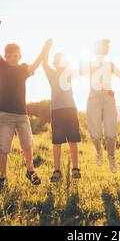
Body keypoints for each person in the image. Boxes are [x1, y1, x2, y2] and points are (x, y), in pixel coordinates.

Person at [0, 16, 44, 190]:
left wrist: (45, 49)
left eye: (15, 55)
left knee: (27, 145)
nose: (13, 57)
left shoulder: (23, 69)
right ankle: (3, 177)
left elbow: (36, 64)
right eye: (9, 55)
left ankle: (30, 170)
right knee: (4, 147)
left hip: (21, 115)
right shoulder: (2, 66)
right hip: (4, 114)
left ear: (20, 56)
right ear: (6, 57)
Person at [82, 39, 120, 173]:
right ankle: (99, 151)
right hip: (93, 98)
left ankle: (112, 158)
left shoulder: (110, 65)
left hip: (108, 98)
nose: (105, 49)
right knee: (95, 135)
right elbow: (76, 72)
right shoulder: (89, 65)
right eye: (103, 46)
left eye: (106, 47)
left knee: (111, 134)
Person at [41, 39, 82, 183]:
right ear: (55, 63)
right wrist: (46, 47)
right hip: (57, 111)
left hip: (70, 109)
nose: (60, 62)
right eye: (58, 60)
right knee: (57, 142)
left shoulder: (69, 73)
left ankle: (75, 169)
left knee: (73, 140)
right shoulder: (51, 73)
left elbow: (83, 70)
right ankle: (57, 171)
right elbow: (44, 62)